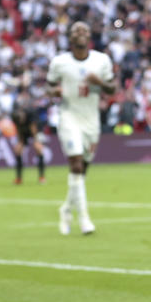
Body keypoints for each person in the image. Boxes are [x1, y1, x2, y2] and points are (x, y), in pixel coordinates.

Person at [46, 21, 116, 236]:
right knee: (75, 165)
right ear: (70, 36)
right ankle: (84, 219)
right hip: (68, 117)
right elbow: (50, 85)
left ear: (89, 36)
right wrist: (54, 92)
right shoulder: (59, 62)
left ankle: (66, 208)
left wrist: (100, 83)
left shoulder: (101, 60)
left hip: (91, 120)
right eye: (76, 30)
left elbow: (112, 89)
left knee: (82, 169)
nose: (81, 33)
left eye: (85, 30)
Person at [11, 92, 46, 185]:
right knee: (18, 150)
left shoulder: (31, 113)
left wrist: (36, 140)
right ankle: (19, 178)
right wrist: (20, 140)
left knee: (38, 149)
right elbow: (18, 128)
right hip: (24, 132)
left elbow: (33, 128)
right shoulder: (14, 116)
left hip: (35, 130)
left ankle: (41, 177)